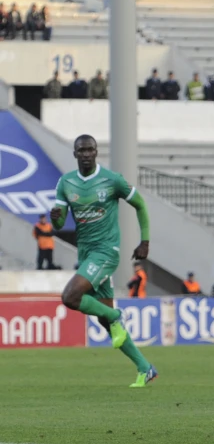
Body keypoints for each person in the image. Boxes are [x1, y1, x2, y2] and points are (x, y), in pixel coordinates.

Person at [50, 134, 156, 387]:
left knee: (70, 297)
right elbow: (59, 222)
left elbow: (140, 204)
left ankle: (116, 314)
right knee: (104, 321)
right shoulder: (66, 183)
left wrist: (145, 241)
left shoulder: (112, 180)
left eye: (90, 150)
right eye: (81, 150)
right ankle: (145, 367)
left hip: (106, 251)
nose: (86, 154)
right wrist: (54, 217)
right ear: (75, 154)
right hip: (86, 254)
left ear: (96, 152)